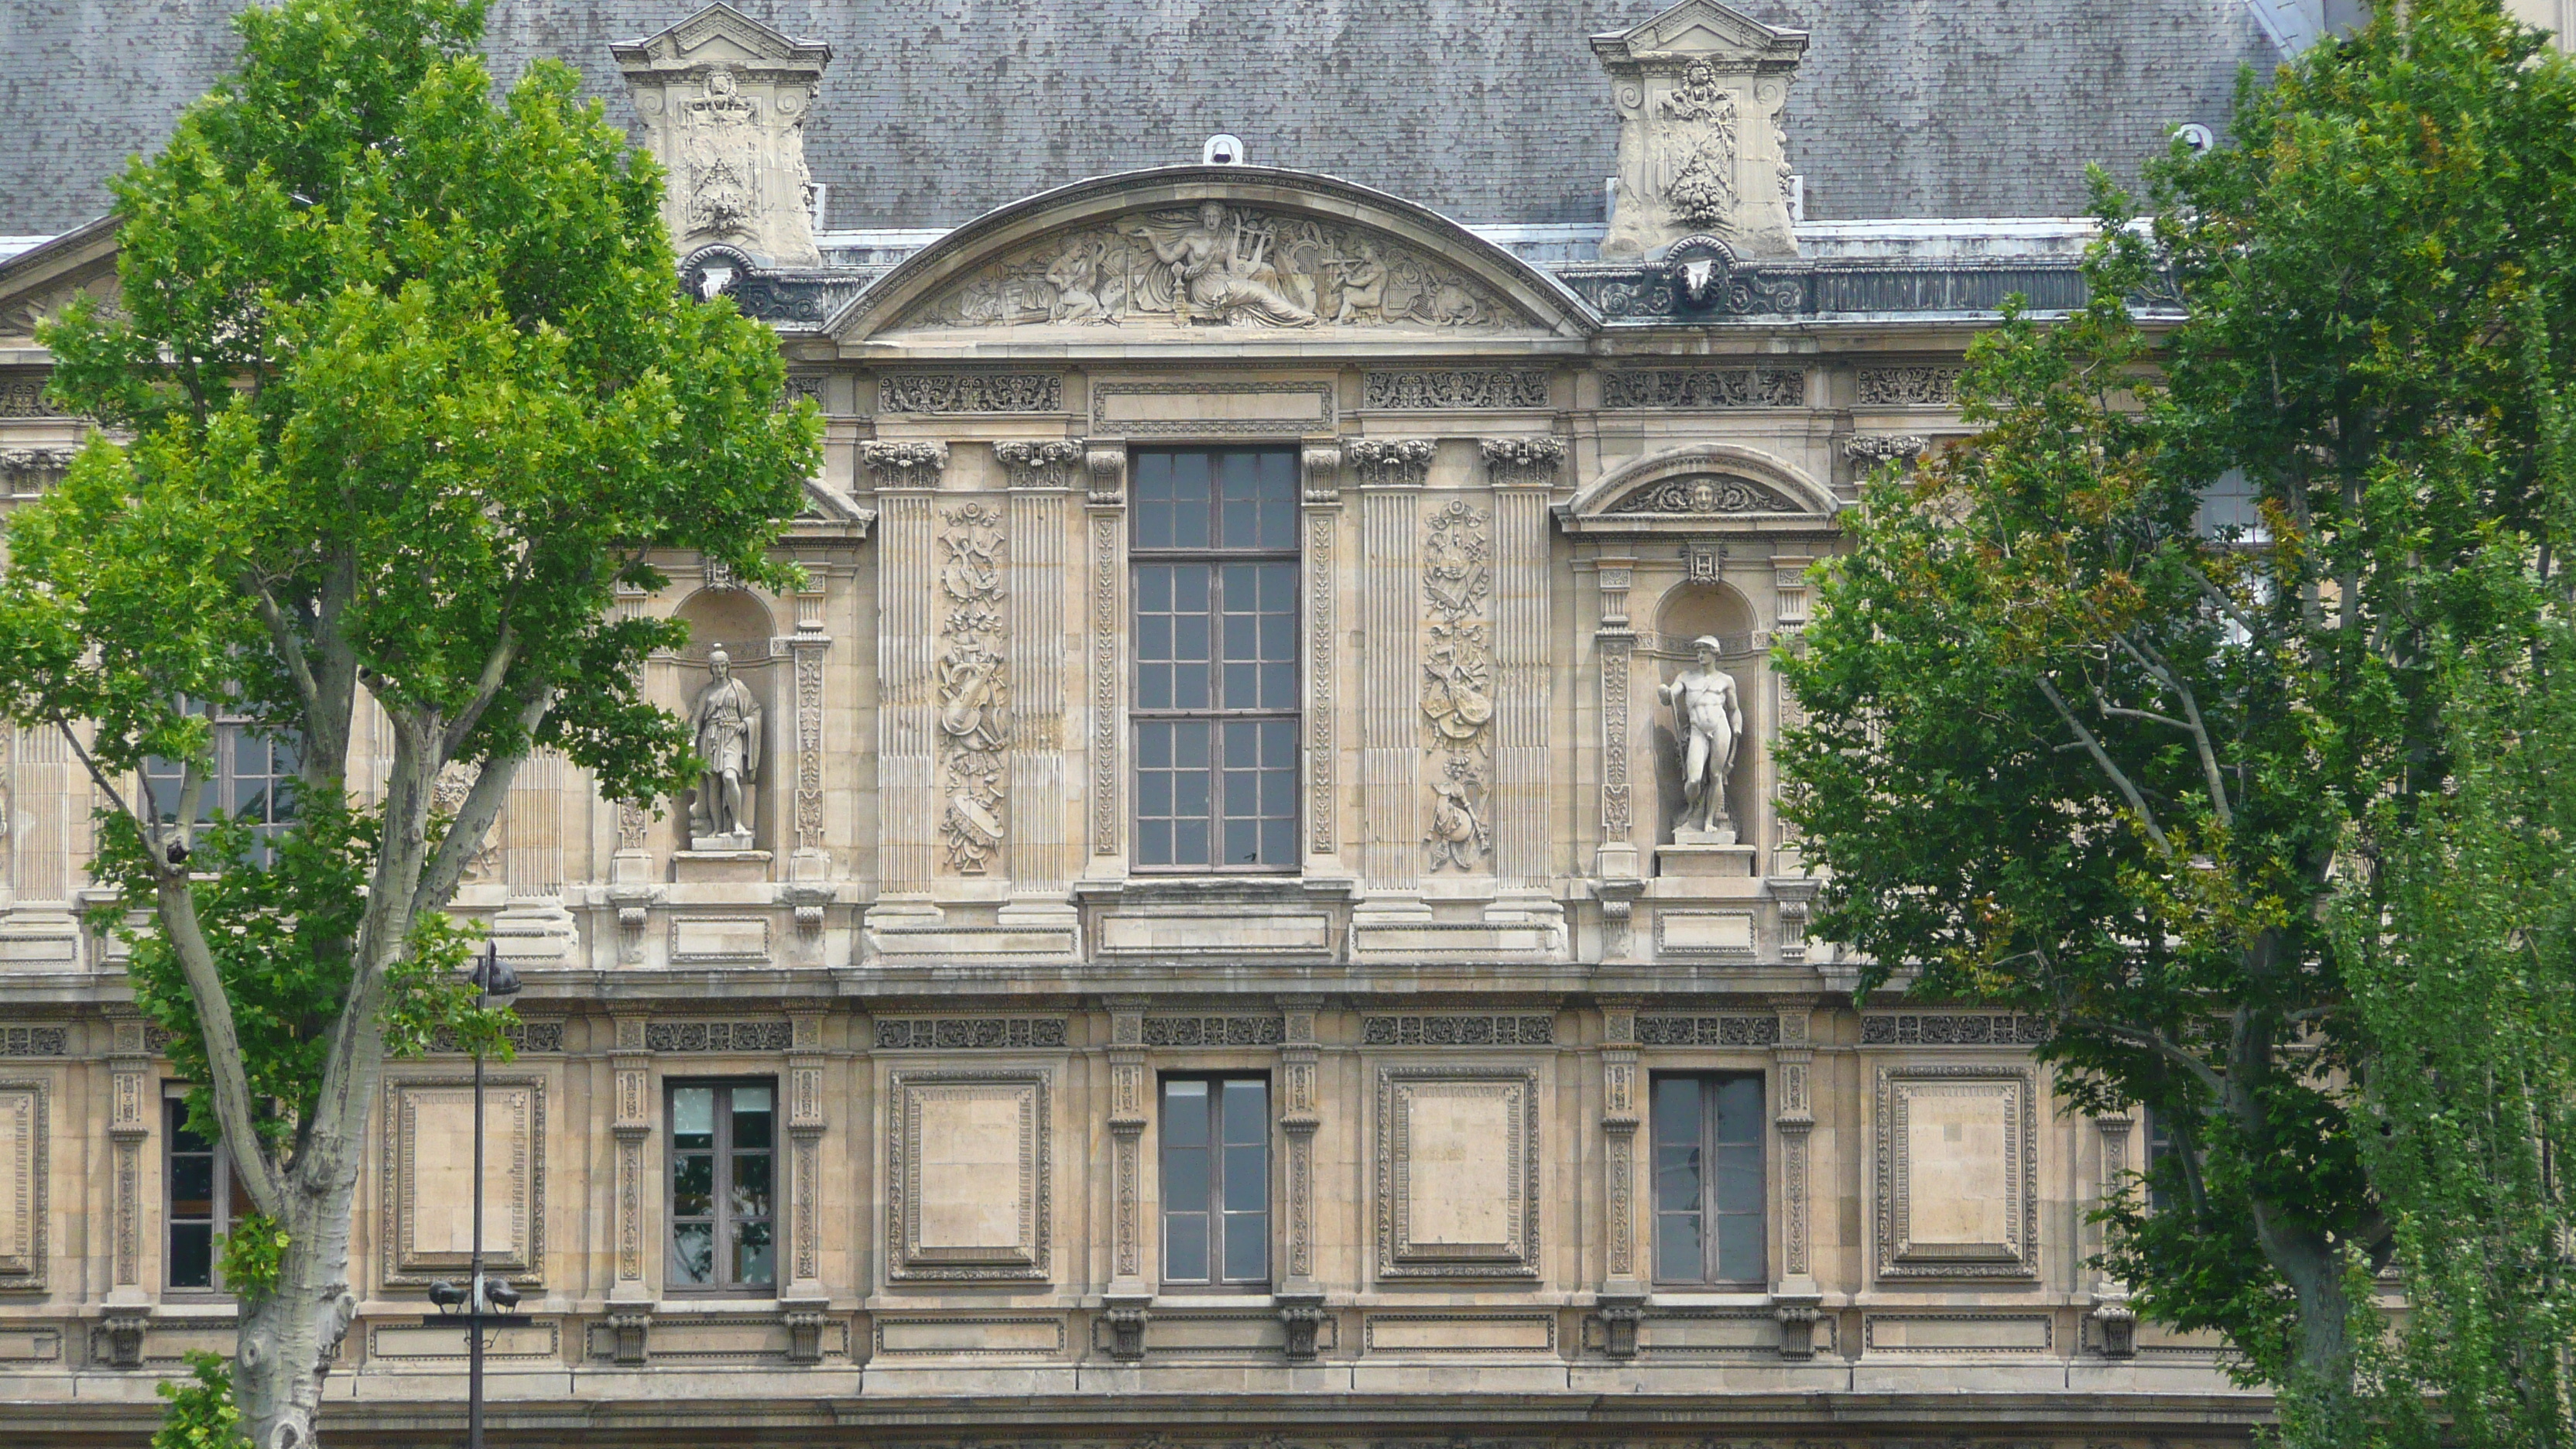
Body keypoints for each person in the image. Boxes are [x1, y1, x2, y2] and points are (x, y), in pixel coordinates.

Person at [1659, 635, 1742, 837]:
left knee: (1716, 776)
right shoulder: (1686, 677)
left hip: (1721, 727)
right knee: (1694, 779)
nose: (1700, 655)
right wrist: (1664, 693)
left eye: (1704, 651)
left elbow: (1734, 708)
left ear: (1715, 653)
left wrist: (1737, 725)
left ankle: (1709, 820)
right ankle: (1693, 809)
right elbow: (1671, 695)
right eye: (1698, 652)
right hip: (1698, 729)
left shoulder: (1725, 680)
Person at [688, 648, 762, 843]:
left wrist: (746, 724)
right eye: (715, 666)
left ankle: (737, 823)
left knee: (729, 777)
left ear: (728, 667)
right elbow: (696, 720)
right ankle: (718, 828)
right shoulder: (707, 692)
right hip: (711, 737)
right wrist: (691, 741)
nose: (719, 670)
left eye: (722, 666)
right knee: (713, 784)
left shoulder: (738, 687)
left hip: (732, 736)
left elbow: (755, 711)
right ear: (710, 669)